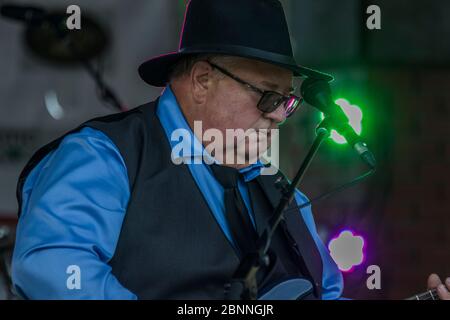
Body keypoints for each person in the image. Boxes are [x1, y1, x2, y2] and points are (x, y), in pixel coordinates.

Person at [11, 0, 449, 300]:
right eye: (266, 95)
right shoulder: (105, 156)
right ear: (203, 79)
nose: (280, 115)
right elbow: (52, 268)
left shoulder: (286, 195)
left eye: (287, 100)